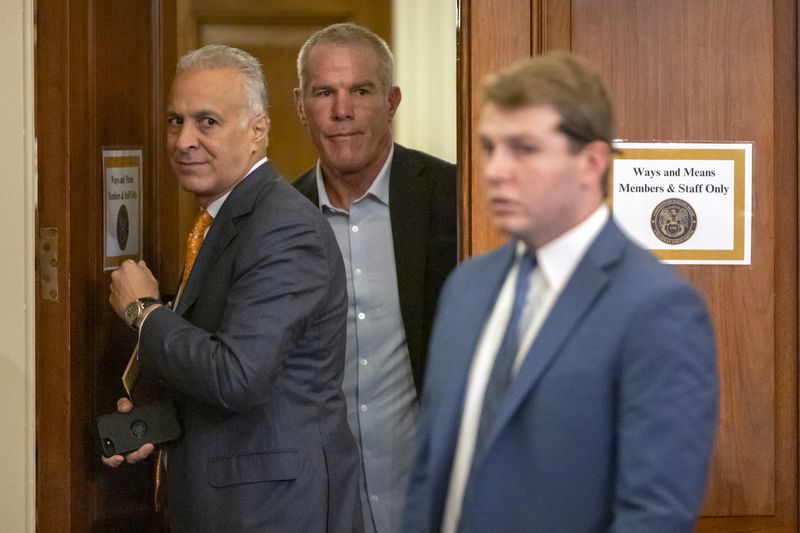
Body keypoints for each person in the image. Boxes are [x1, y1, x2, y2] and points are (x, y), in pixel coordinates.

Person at [403, 51, 719, 533]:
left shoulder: (656, 308)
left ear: (591, 163)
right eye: (490, 148)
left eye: (524, 149)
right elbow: (430, 474)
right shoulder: (465, 287)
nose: (495, 170)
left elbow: (654, 516)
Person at [105, 44, 362, 533]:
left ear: (258, 130)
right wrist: (153, 415)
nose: (184, 140)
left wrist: (144, 312)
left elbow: (239, 375)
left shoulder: (283, 226)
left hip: (274, 511)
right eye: (175, 121)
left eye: (208, 122)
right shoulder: (220, 217)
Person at [292, 23, 457, 533]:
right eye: (325, 93)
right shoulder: (276, 221)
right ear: (301, 105)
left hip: (438, 503)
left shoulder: (456, 200)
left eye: (360, 91)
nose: (343, 111)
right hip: (322, 507)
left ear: (391, 100)